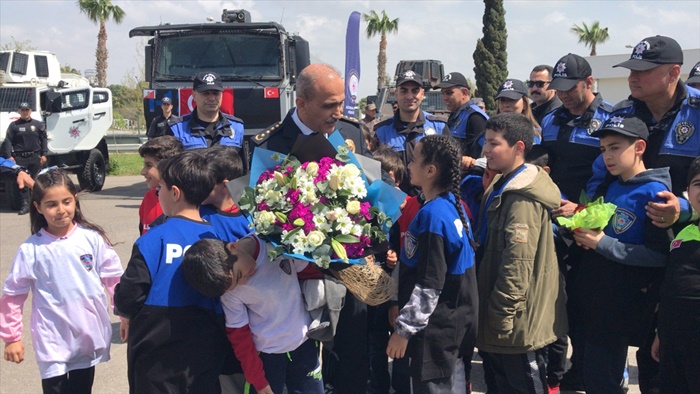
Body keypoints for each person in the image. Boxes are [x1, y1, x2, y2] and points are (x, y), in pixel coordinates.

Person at [252, 63, 371, 394]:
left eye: (340, 104)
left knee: (353, 357)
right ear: (301, 103)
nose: (337, 113)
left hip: (354, 265)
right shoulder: (271, 145)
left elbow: (371, 189)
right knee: (305, 369)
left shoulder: (352, 134)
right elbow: (264, 213)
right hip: (297, 275)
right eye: (328, 105)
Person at [611, 35, 700, 393]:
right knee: (649, 355)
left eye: (644, 71)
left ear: (673, 73)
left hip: (689, 256)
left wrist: (688, 207)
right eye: (631, 69)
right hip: (638, 253)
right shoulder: (621, 115)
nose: (634, 77)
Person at [570, 114, 670, 393]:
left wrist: (602, 244)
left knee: (603, 380)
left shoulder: (654, 192)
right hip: (596, 299)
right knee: (593, 375)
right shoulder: (611, 185)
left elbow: (659, 256)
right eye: (603, 150)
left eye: (615, 147)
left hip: (620, 305)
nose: (607, 157)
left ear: (639, 148)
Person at [115, 151, 229, 393]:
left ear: (174, 193)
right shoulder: (218, 238)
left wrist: (123, 309)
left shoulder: (154, 239)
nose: (158, 194)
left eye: (161, 189)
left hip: (156, 348)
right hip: (206, 344)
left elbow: (130, 294)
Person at [0, 168, 123, 393]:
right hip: (52, 338)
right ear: (38, 207)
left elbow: (114, 278)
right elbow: (13, 294)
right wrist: (11, 337)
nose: (61, 210)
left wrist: (124, 314)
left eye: (66, 201)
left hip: (87, 335)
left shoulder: (91, 238)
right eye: (51, 204)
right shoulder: (31, 249)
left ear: (75, 200)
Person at [476, 113, 567, 394]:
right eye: (485, 143)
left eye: (494, 144)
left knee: (524, 385)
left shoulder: (521, 198)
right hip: (501, 318)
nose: (486, 151)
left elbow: (518, 262)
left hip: (517, 322)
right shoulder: (501, 183)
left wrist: (502, 314)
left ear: (518, 147)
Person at [386, 134, 478, 394]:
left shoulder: (433, 216)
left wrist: (403, 331)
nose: (409, 165)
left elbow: (429, 284)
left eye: (414, 160)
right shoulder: (451, 205)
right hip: (455, 326)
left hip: (437, 333)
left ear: (430, 170)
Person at [182, 237, 324, 394]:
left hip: (305, 344)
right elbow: (239, 335)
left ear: (233, 247)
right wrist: (258, 380)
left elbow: (308, 272)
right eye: (235, 285)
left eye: (239, 275)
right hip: (266, 357)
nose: (242, 283)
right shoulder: (229, 292)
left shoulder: (273, 241)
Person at [652, 156, 700, 393]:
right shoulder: (683, 235)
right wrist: (661, 333)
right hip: (673, 338)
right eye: (698, 184)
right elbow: (671, 288)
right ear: (688, 192)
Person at [374, 70, 450, 195]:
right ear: (396, 94)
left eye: (415, 90)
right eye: (404, 91)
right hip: (395, 205)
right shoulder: (381, 131)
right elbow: (375, 170)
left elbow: (449, 169)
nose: (410, 96)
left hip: (430, 202)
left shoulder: (439, 127)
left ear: (422, 94)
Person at [167, 71, 244, 152]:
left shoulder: (237, 127)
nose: (211, 98)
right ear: (193, 95)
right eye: (205, 93)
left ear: (221, 95)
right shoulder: (176, 129)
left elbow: (241, 164)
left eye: (216, 93)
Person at [1, 102, 48, 215]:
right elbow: (8, 141)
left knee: (35, 181)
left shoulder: (37, 124)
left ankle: (37, 205)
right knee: (22, 183)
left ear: (30, 111)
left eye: (27, 110)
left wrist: (44, 154)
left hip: (34, 157)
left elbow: (44, 139)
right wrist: (8, 156)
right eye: (23, 110)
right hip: (19, 158)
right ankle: (25, 205)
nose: (25, 112)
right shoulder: (14, 125)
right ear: (19, 111)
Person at [434, 72, 488, 169]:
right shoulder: (456, 114)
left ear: (464, 93)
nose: (444, 98)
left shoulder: (475, 117)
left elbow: (484, 154)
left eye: (449, 93)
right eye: (443, 93)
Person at [200, 146, 251, 242]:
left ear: (224, 186)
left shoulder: (250, 218)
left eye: (203, 181)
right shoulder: (196, 212)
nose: (197, 186)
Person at [136, 136, 184, 235]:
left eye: (149, 165)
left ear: (168, 167)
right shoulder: (149, 197)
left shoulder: (187, 201)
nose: (142, 172)